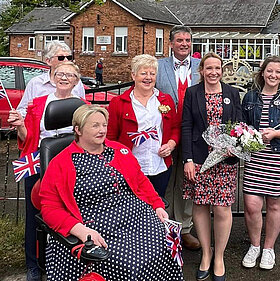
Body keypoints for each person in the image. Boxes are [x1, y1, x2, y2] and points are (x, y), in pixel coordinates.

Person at [38, 104, 183, 281]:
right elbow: (50, 208)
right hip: (95, 224)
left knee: (167, 244)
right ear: (78, 129)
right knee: (131, 263)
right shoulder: (61, 162)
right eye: (95, 125)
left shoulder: (119, 150)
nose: (102, 130)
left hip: (136, 217)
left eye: (104, 125)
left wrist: (157, 205)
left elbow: (141, 182)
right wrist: (80, 231)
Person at [8, 61, 87, 281]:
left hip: (72, 168)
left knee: (69, 215)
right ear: (52, 76)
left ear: (76, 81)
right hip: (40, 164)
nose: (64, 78)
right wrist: (20, 125)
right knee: (34, 218)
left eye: (70, 75)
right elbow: (28, 138)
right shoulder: (39, 104)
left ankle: (66, 260)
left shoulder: (82, 106)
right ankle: (33, 264)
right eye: (59, 74)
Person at [182, 52, 241, 281]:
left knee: (222, 208)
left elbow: (238, 124)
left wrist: (234, 146)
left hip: (224, 160)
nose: (213, 72)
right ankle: (206, 254)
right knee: (200, 205)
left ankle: (219, 257)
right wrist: (187, 159)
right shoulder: (192, 93)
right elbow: (186, 126)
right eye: (209, 68)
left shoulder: (233, 93)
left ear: (222, 71)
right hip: (198, 159)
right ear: (201, 71)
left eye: (217, 68)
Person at [241, 56, 280, 270]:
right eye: (270, 71)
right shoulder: (249, 97)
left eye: (278, 72)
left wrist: (276, 133)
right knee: (251, 205)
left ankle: (268, 249)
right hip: (256, 156)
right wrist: (247, 135)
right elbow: (243, 126)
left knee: (274, 204)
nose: (273, 75)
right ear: (262, 73)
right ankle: (254, 246)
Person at [107, 54, 179, 198]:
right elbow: (110, 138)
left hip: (160, 165)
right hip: (130, 166)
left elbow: (175, 128)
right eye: (143, 73)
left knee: (157, 206)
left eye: (152, 74)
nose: (148, 77)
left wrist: (170, 145)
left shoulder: (166, 100)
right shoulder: (118, 103)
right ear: (133, 75)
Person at [157, 25, 201, 250]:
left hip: (192, 132)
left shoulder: (200, 66)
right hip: (165, 134)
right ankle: (162, 226)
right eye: (180, 40)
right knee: (164, 179)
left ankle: (184, 228)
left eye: (187, 40)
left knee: (187, 181)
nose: (184, 44)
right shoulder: (158, 66)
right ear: (171, 43)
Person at [17, 41, 85, 118]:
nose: (66, 61)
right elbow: (22, 110)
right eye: (61, 58)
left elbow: (82, 110)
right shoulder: (35, 83)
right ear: (48, 61)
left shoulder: (76, 82)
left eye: (69, 57)